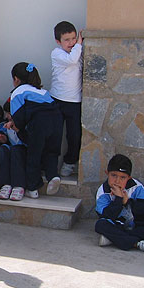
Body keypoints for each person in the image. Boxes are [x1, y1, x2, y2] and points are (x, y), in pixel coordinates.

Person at [94, 154, 144, 262]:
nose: (117, 181)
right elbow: (107, 215)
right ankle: (139, 244)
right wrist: (118, 199)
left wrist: (127, 202)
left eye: (123, 177)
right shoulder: (103, 192)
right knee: (101, 225)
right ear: (107, 173)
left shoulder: (136, 187)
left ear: (129, 178)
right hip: (117, 225)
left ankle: (114, 239)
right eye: (114, 175)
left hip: (136, 226)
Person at [5, 63, 62, 199]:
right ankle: (53, 175)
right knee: (51, 152)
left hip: (38, 124)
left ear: (16, 79)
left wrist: (16, 127)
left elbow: (18, 117)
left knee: (33, 155)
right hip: (56, 121)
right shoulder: (43, 92)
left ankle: (33, 188)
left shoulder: (18, 92)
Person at [50, 21, 83, 177]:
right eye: (67, 40)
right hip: (57, 99)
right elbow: (72, 60)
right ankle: (50, 165)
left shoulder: (78, 51)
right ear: (58, 41)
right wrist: (79, 44)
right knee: (54, 134)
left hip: (74, 101)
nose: (71, 43)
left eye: (74, 38)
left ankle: (70, 163)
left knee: (74, 135)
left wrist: (78, 46)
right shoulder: (57, 53)